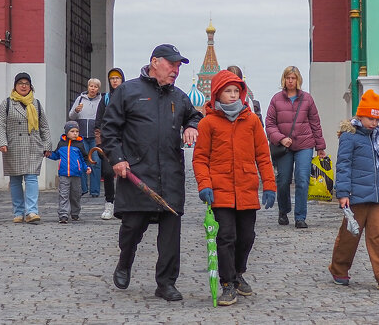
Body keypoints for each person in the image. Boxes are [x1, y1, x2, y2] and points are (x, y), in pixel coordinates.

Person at [100, 44, 201, 302]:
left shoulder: (179, 97)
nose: (176, 70)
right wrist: (118, 159)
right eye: (172, 64)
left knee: (170, 234)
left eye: (179, 66)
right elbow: (109, 129)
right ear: (155, 62)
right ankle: (125, 260)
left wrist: (191, 125)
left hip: (170, 175)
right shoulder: (128, 91)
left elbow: (196, 116)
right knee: (132, 227)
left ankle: (166, 283)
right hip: (137, 173)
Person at [193, 70, 277, 306]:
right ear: (218, 93)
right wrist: (204, 185)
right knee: (226, 237)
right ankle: (227, 283)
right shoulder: (208, 122)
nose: (232, 95)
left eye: (236, 91)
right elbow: (200, 158)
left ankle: (239, 272)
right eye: (227, 91)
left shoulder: (251, 121)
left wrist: (269, 185)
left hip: (246, 188)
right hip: (219, 190)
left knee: (247, 237)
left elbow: (262, 155)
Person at [329, 89, 379, 292]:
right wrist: (342, 194)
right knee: (349, 236)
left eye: (377, 120)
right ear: (361, 115)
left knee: (378, 236)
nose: (374, 123)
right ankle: (339, 269)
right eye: (371, 118)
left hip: (376, 195)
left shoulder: (377, 137)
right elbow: (343, 165)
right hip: (356, 196)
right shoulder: (349, 137)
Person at [265, 65, 327, 228]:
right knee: (283, 180)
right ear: (284, 80)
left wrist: (320, 146)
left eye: (293, 78)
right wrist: (280, 138)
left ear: (298, 80)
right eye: (288, 78)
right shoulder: (276, 99)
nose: (290, 81)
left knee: (302, 178)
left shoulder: (307, 99)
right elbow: (269, 124)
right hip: (284, 146)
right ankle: (284, 210)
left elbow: (315, 123)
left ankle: (300, 216)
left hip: (304, 144)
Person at [0, 72, 52, 224]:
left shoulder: (36, 104)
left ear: (30, 86)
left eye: (26, 83)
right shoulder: (7, 103)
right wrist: (2, 142)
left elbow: (44, 126)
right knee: (15, 180)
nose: (23, 86)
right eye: (20, 83)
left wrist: (47, 145)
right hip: (13, 146)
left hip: (33, 145)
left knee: (32, 177)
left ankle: (32, 211)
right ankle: (18, 212)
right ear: (15, 86)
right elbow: (0, 124)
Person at [95, 67, 125, 220]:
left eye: (117, 78)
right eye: (112, 78)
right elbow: (98, 122)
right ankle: (109, 203)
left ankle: (123, 204)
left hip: (125, 141)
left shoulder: (128, 96)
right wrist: (99, 143)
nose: (114, 81)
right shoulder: (105, 98)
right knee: (107, 172)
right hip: (108, 142)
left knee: (125, 174)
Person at [48, 121, 92, 223]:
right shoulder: (61, 144)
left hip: (76, 174)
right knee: (63, 194)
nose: (75, 133)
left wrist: (86, 167)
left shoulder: (80, 145)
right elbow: (56, 155)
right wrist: (49, 154)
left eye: (77, 131)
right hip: (63, 174)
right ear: (67, 132)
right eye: (72, 131)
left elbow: (84, 158)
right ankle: (63, 214)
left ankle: (75, 213)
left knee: (75, 195)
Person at [69, 77, 103, 197]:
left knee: (96, 162)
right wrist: (77, 111)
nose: (93, 88)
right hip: (82, 136)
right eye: (91, 86)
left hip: (95, 137)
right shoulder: (80, 99)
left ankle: (95, 191)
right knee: (81, 162)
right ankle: (83, 189)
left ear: (98, 89)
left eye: (96, 87)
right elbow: (71, 116)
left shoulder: (101, 100)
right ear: (88, 87)